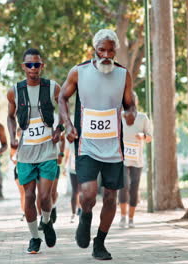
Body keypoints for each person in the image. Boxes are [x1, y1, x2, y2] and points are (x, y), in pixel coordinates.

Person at [59, 29, 137, 260]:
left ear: (115, 51)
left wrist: (132, 113)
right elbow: (62, 97)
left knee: (111, 197)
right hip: (86, 144)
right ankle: (85, 216)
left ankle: (100, 242)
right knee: (88, 193)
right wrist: (67, 125)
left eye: (110, 50)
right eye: (102, 50)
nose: (106, 54)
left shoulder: (124, 74)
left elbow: (130, 104)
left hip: (114, 146)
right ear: (95, 50)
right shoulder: (79, 72)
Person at [7, 48, 64, 254]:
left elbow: (64, 109)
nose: (33, 68)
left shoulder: (53, 88)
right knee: (29, 196)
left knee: (44, 197)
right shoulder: (15, 90)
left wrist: (60, 128)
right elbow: (10, 116)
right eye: (29, 64)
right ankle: (34, 237)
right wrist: (12, 134)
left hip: (48, 150)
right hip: (25, 153)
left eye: (37, 64)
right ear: (23, 67)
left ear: (42, 66)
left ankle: (47, 221)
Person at [118, 93, 152, 228]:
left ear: (136, 101)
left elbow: (150, 137)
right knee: (123, 186)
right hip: (123, 159)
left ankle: (131, 218)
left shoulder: (143, 118)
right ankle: (122, 217)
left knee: (134, 189)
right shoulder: (119, 116)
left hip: (137, 159)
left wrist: (143, 136)